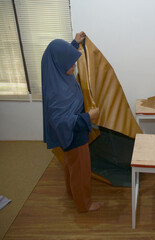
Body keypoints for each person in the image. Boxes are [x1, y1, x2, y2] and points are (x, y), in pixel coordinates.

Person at [41, 32, 104, 212]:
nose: (74, 65)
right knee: (81, 170)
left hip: (72, 135)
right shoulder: (57, 93)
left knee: (71, 166)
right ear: (61, 64)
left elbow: (63, 57)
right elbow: (62, 121)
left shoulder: (58, 76)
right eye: (71, 62)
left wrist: (74, 44)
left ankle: (72, 193)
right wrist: (89, 117)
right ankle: (84, 204)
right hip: (74, 135)